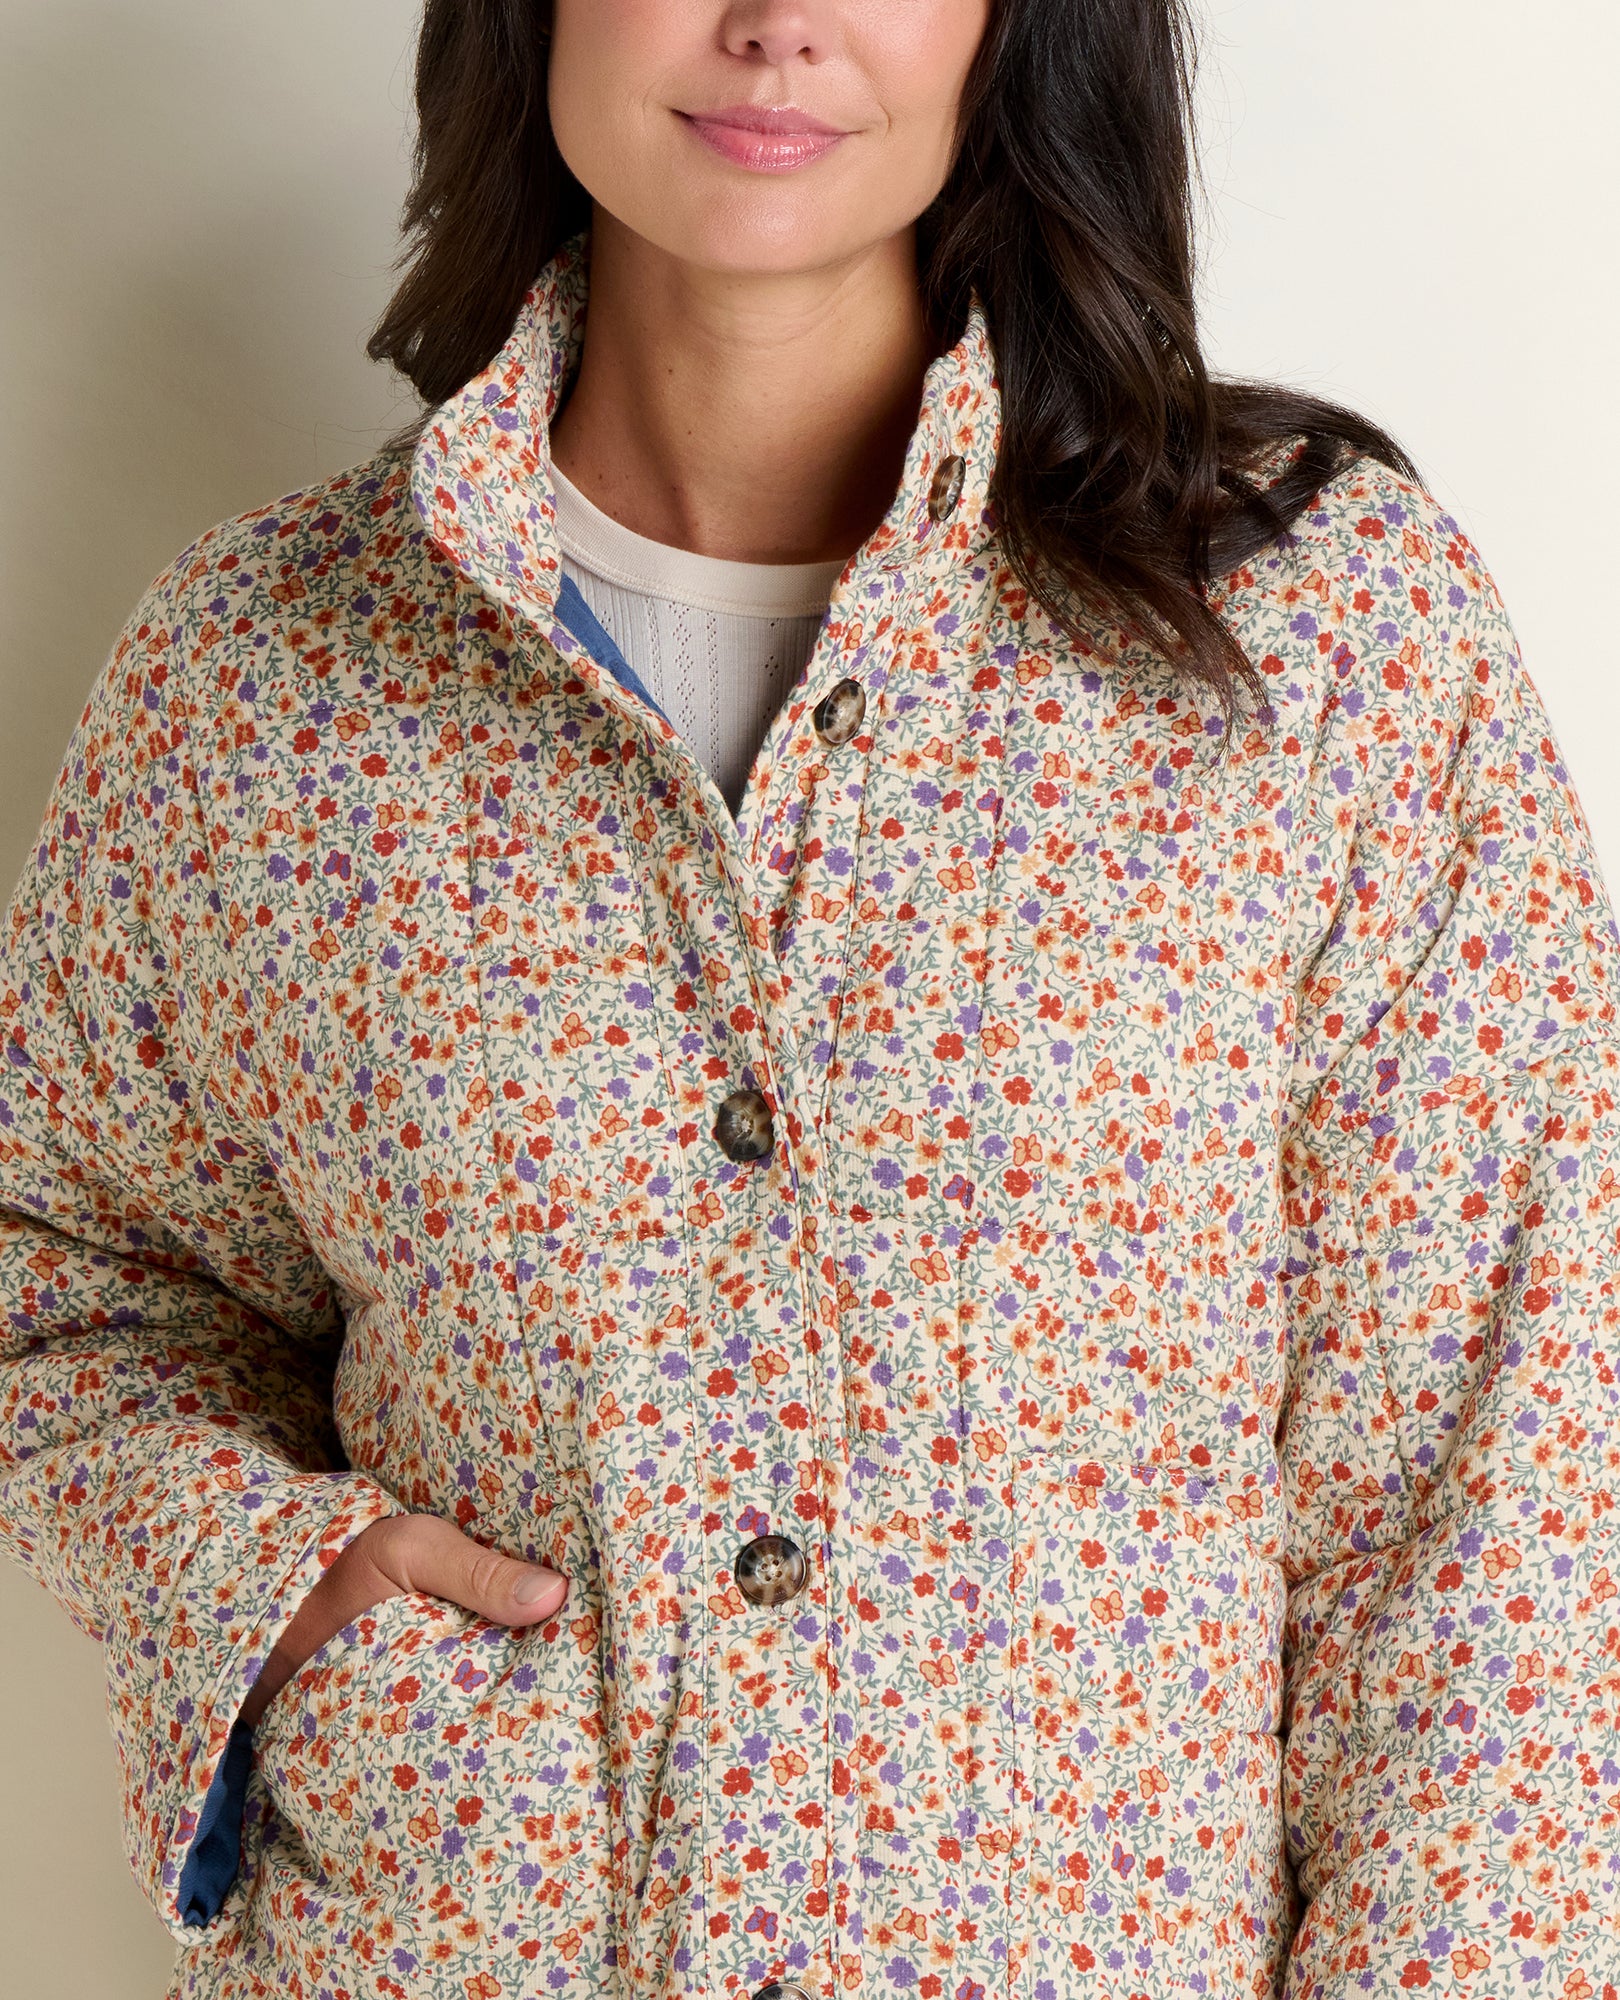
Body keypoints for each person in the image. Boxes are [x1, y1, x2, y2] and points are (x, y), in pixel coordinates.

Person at [1, 1, 1615, 1995]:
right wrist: (278, 1585)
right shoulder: (266, 680)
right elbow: (68, 1271)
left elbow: (1498, 1497)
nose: (776, 23)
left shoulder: (1320, 638)